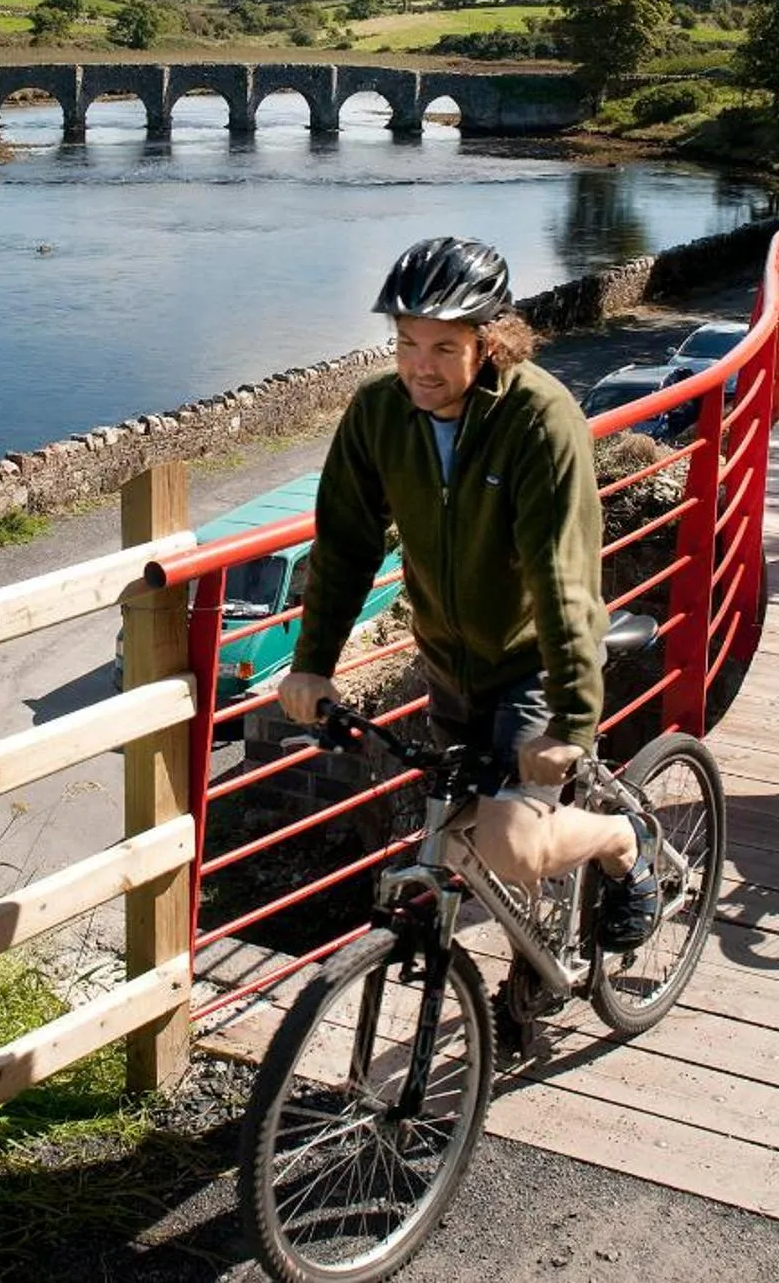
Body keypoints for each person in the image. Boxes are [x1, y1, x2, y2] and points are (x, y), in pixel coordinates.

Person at [276, 236, 661, 948]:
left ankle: (620, 838)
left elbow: (560, 576)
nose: (420, 366)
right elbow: (345, 547)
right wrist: (312, 665)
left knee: (511, 844)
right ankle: (520, 977)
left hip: (532, 660)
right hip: (449, 664)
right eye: (406, 343)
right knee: (451, 835)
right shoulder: (379, 413)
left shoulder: (537, 419)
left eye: (444, 347)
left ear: (491, 342)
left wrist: (571, 724)